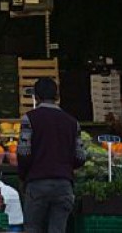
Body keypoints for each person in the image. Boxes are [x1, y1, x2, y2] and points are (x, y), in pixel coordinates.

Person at [17, 77, 85, 233]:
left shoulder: (30, 118)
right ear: (57, 96)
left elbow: (24, 152)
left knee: (32, 228)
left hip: (37, 184)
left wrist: (23, 176)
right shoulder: (72, 122)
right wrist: (65, 165)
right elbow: (80, 157)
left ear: (36, 96)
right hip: (64, 185)